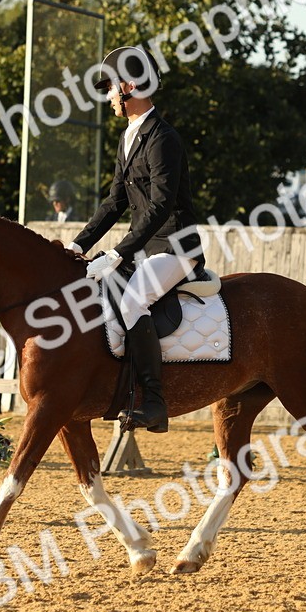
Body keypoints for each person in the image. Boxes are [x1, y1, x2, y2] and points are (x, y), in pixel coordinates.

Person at [67, 45, 205, 434]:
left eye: (110, 88)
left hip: (176, 246)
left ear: (129, 87)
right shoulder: (129, 137)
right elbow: (115, 202)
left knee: (132, 301)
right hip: (145, 248)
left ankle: (155, 404)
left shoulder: (164, 138)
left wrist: (117, 251)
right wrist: (78, 245)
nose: (108, 96)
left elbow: (160, 207)